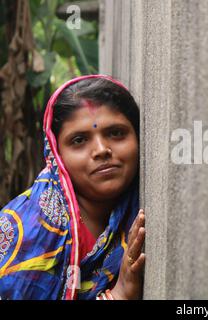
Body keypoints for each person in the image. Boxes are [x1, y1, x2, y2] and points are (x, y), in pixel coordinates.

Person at [0, 74, 145, 300]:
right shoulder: (25, 233)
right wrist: (118, 296)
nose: (101, 150)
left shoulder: (136, 211)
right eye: (79, 140)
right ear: (57, 156)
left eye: (115, 133)